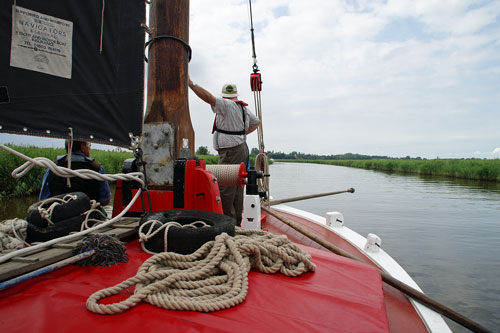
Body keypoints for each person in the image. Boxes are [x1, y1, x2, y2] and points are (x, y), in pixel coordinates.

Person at [188, 78, 260, 226]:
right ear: (236, 95)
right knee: (237, 186)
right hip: (241, 148)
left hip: (231, 152)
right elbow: (256, 122)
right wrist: (241, 134)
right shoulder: (243, 108)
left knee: (226, 188)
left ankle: (228, 224)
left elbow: (208, 98)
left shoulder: (226, 105)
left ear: (224, 96)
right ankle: (236, 222)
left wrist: (191, 84)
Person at [40, 140, 111, 206]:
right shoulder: (97, 168)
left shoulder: (52, 167)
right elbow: (105, 200)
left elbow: (43, 199)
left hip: (59, 217)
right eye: (88, 144)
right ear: (82, 147)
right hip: (89, 216)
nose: (90, 148)